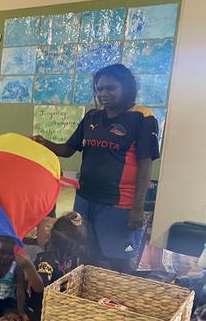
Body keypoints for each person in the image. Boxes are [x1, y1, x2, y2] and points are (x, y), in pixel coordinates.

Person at [33, 64, 160, 273]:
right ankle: (89, 301)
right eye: (100, 89)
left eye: (111, 88)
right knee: (85, 253)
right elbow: (67, 149)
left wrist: (138, 208)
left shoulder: (142, 118)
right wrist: (43, 142)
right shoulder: (92, 117)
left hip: (119, 204)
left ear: (126, 87)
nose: (104, 94)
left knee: (118, 261)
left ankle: (114, 303)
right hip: (85, 199)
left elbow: (146, 164)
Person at [27, 212, 87, 321]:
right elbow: (40, 288)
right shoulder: (53, 259)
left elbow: (40, 288)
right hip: (52, 310)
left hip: (50, 309)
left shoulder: (56, 258)